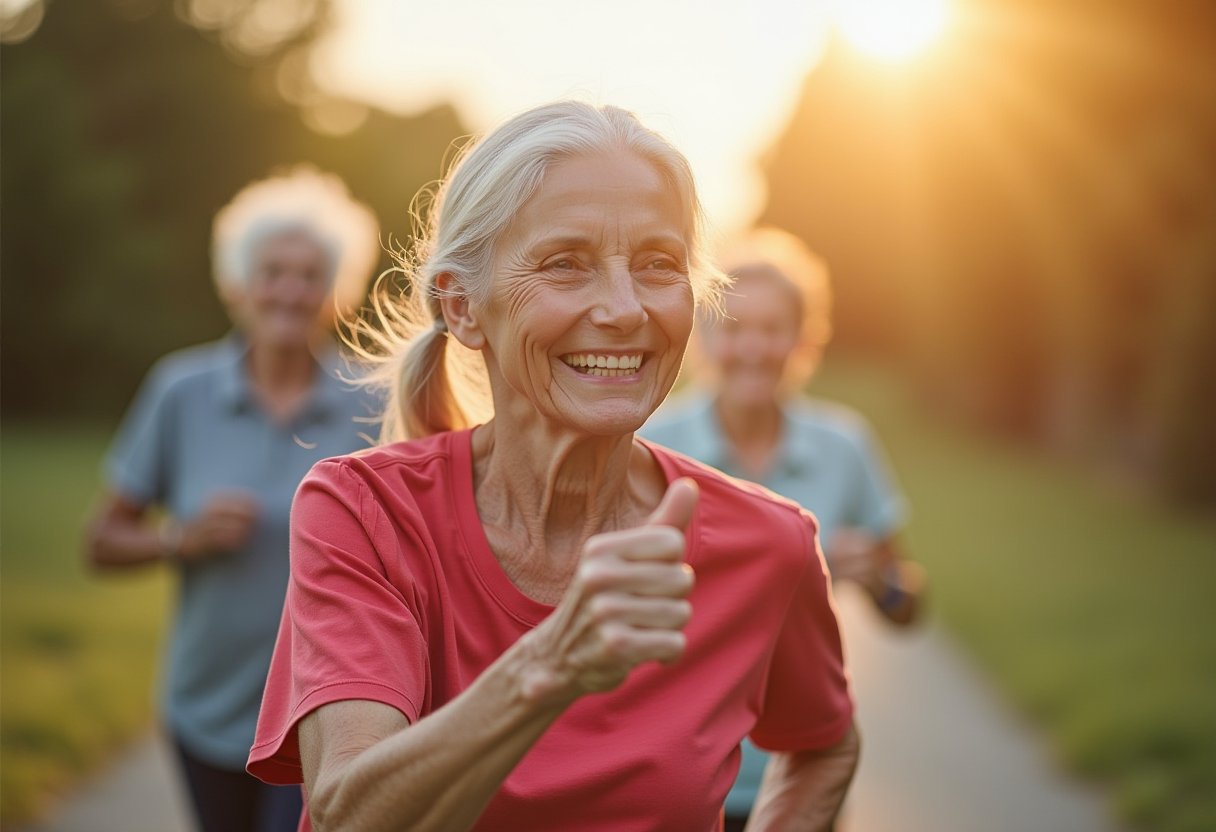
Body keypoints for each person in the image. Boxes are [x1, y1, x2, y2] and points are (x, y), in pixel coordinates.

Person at [246, 101, 859, 832]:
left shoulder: (770, 543)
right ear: (464, 307)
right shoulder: (364, 512)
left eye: (659, 265)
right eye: (566, 264)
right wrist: (552, 668)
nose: (627, 308)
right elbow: (350, 815)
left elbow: (825, 745)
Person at [84, 168, 381, 832]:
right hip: (205, 707)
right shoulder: (179, 391)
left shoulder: (376, 401)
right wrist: (179, 539)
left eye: (311, 274)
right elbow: (99, 541)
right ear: (237, 284)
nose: (291, 290)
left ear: (336, 290)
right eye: (273, 270)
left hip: (326, 709)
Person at [640, 227, 926, 831]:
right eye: (735, 328)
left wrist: (879, 580)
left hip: (806, 763)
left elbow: (909, 605)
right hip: (675, 772)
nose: (754, 348)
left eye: (773, 330)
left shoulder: (845, 446)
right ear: (705, 339)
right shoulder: (650, 445)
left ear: (803, 341)